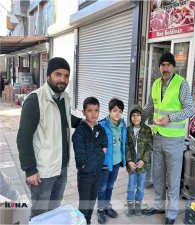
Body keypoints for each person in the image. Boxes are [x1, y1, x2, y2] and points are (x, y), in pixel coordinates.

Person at [16, 57, 81, 219]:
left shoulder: (64, 97)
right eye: (58, 74)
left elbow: (66, 118)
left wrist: (86, 122)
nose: (63, 79)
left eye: (66, 76)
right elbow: (23, 138)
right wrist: (30, 170)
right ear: (48, 75)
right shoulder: (35, 100)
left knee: (54, 211)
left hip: (62, 167)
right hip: (43, 172)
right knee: (39, 214)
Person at [141, 52, 195, 224]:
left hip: (174, 140)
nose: (165, 68)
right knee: (157, 175)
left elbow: (190, 109)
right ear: (159, 67)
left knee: (172, 178)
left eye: (168, 65)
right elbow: (150, 107)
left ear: (174, 67)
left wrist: (170, 118)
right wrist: (136, 118)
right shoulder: (156, 84)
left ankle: (171, 213)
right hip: (157, 136)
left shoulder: (181, 84)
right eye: (162, 65)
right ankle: (158, 204)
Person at [72, 97, 108, 224]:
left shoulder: (100, 129)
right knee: (84, 204)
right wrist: (84, 166)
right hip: (85, 175)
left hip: (97, 173)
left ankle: (87, 221)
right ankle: (80, 221)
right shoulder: (80, 131)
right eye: (90, 110)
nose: (93, 113)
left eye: (96, 110)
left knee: (92, 202)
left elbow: (104, 145)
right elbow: (80, 153)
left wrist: (98, 158)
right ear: (83, 112)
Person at [97, 98, 127, 224]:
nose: (117, 113)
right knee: (102, 186)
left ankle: (107, 206)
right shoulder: (102, 125)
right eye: (115, 110)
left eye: (120, 111)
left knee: (110, 185)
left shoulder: (123, 125)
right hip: (104, 163)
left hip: (116, 162)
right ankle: (100, 209)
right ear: (109, 111)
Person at [125, 105, 153, 217]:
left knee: (140, 186)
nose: (135, 118)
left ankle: (138, 206)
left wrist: (143, 160)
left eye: (138, 115)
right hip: (132, 162)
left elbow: (150, 146)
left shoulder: (147, 130)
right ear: (130, 117)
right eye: (133, 115)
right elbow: (126, 146)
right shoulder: (128, 130)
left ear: (142, 116)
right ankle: (130, 207)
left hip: (143, 163)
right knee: (131, 186)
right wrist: (129, 161)